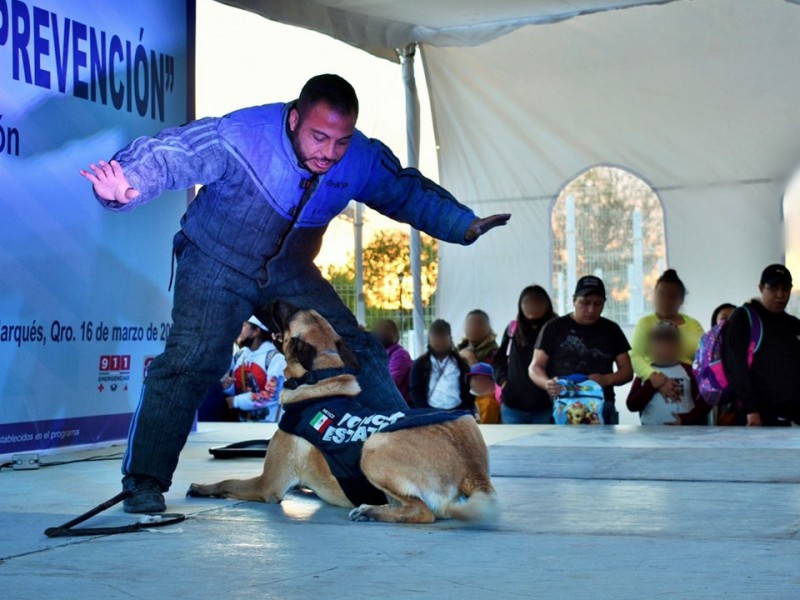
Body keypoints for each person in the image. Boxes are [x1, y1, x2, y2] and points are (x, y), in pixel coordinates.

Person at [79, 74, 510, 513]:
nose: (329, 152)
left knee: (357, 347)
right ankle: (143, 480)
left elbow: (405, 190)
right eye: (318, 136)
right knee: (194, 358)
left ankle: (391, 450)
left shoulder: (358, 158)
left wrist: (462, 224)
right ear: (293, 118)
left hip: (289, 270)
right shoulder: (242, 136)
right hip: (215, 262)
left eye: (340, 141)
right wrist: (129, 181)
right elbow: (177, 151)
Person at [529, 275, 633, 424]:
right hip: (563, 404)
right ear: (574, 301)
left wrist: (605, 379)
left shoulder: (612, 329)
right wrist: (547, 383)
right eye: (585, 302)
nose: (591, 309)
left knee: (604, 447)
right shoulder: (554, 328)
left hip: (602, 404)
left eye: (598, 304)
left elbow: (627, 371)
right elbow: (535, 366)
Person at [722, 265, 800, 426]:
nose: (780, 295)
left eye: (785, 289)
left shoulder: (793, 325)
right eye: (773, 288)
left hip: (790, 418)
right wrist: (751, 409)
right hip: (755, 417)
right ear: (761, 287)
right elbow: (735, 365)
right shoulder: (744, 317)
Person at [630, 269, 705, 395]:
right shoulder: (645, 323)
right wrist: (654, 377)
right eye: (661, 294)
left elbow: (703, 358)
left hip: (689, 387)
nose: (665, 300)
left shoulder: (694, 325)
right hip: (653, 387)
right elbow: (635, 356)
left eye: (671, 296)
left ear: (681, 300)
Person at [198, 316, 285, 422]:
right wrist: (228, 387)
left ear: (256, 331)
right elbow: (236, 390)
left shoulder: (275, 358)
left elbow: (272, 396)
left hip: (268, 427)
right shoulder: (240, 355)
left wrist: (236, 401)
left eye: (243, 325)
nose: (238, 329)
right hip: (242, 426)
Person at [494, 285, 557, 424]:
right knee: (514, 445)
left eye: (538, 321)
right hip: (513, 407)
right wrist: (503, 381)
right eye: (529, 320)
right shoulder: (513, 329)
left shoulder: (556, 329)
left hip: (546, 407)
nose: (533, 325)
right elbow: (499, 361)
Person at [626, 321, 709, 425]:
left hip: (685, 435)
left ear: (678, 346)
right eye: (659, 343)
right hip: (651, 435)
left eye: (669, 343)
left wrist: (685, 420)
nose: (664, 348)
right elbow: (631, 405)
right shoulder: (646, 372)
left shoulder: (689, 371)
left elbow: (704, 403)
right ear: (651, 347)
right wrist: (651, 385)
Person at [409, 319, 473, 413]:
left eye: (443, 336)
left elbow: (468, 389)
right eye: (435, 337)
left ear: (450, 338)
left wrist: (464, 409)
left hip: (457, 411)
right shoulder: (420, 364)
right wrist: (425, 410)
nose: (439, 341)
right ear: (429, 339)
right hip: (429, 412)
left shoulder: (460, 363)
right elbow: (414, 391)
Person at [373, 319, 412, 404]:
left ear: (395, 336)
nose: (380, 334)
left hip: (398, 406)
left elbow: (389, 384)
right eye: (378, 331)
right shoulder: (378, 354)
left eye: (384, 331)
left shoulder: (400, 355)